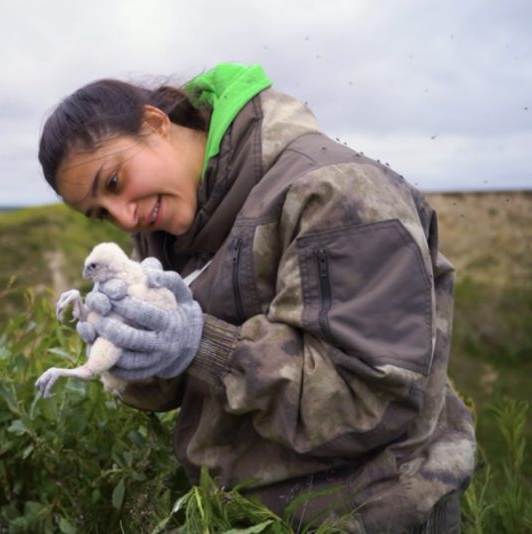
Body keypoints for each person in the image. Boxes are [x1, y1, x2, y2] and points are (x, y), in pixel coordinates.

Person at [38, 63, 475, 532]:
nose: (124, 218)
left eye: (114, 182)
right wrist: (129, 349)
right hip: (247, 515)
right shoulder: (167, 227)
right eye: (101, 214)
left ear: (155, 124)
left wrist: (203, 345)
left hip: (371, 514)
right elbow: (178, 386)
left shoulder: (335, 191)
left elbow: (368, 400)